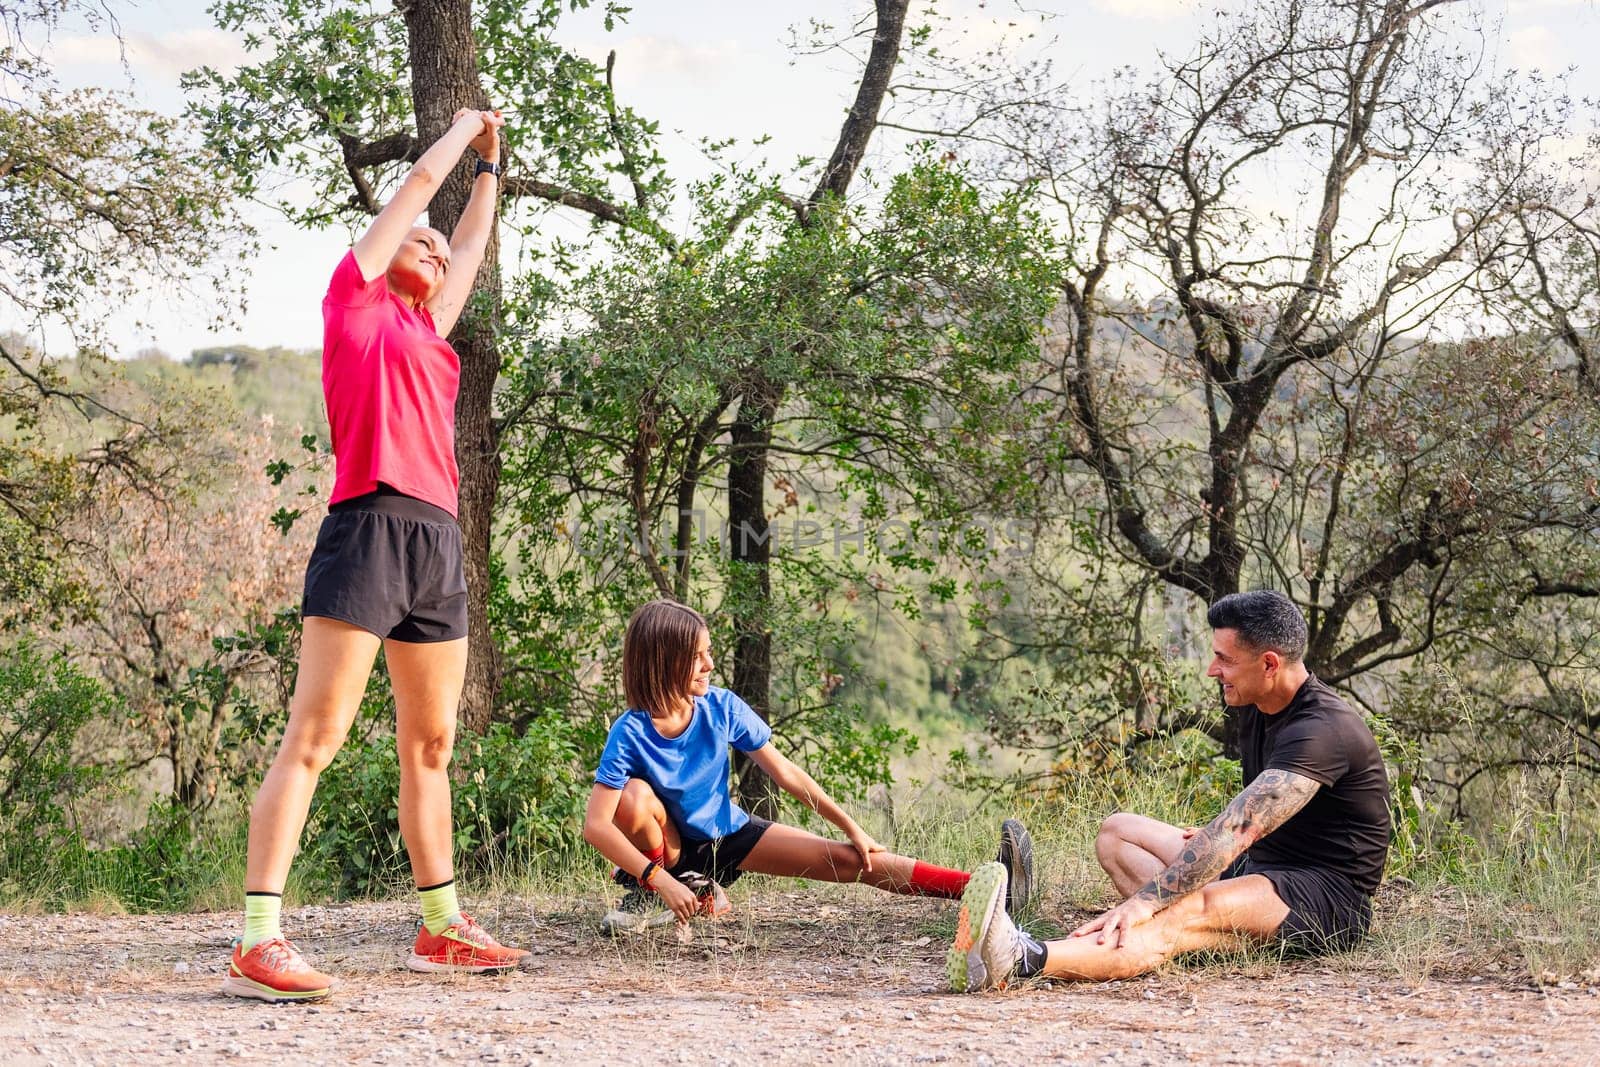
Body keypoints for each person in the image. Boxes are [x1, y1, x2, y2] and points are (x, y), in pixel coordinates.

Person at [223, 108, 522, 1003]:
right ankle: (257, 938)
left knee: (430, 744)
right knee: (315, 737)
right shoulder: (352, 298)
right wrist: (462, 130)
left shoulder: (433, 328)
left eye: (438, 253)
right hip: (367, 528)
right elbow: (419, 196)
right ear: (383, 248)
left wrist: (493, 173)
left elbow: (467, 242)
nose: (433, 251)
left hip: (437, 538)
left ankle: (440, 927)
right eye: (417, 244)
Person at [949, 589, 1391, 991]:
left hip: (1325, 898)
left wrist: (1146, 901)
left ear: (1270, 664)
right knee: (1118, 833)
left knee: (1179, 907)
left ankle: (1022, 957)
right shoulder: (1259, 703)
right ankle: (1194, 937)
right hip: (1263, 866)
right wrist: (1208, 841)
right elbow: (1265, 814)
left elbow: (1240, 826)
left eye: (1225, 660)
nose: (1212, 670)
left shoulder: (1322, 729)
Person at [584, 599, 1034, 935]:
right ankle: (653, 898)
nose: (710, 663)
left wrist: (852, 828)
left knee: (851, 861)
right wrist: (658, 879)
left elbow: (787, 775)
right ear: (665, 661)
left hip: (728, 835)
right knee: (634, 796)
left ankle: (988, 888)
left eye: (709, 652)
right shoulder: (630, 730)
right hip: (669, 854)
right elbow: (597, 826)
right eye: (698, 655)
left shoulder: (721, 706)